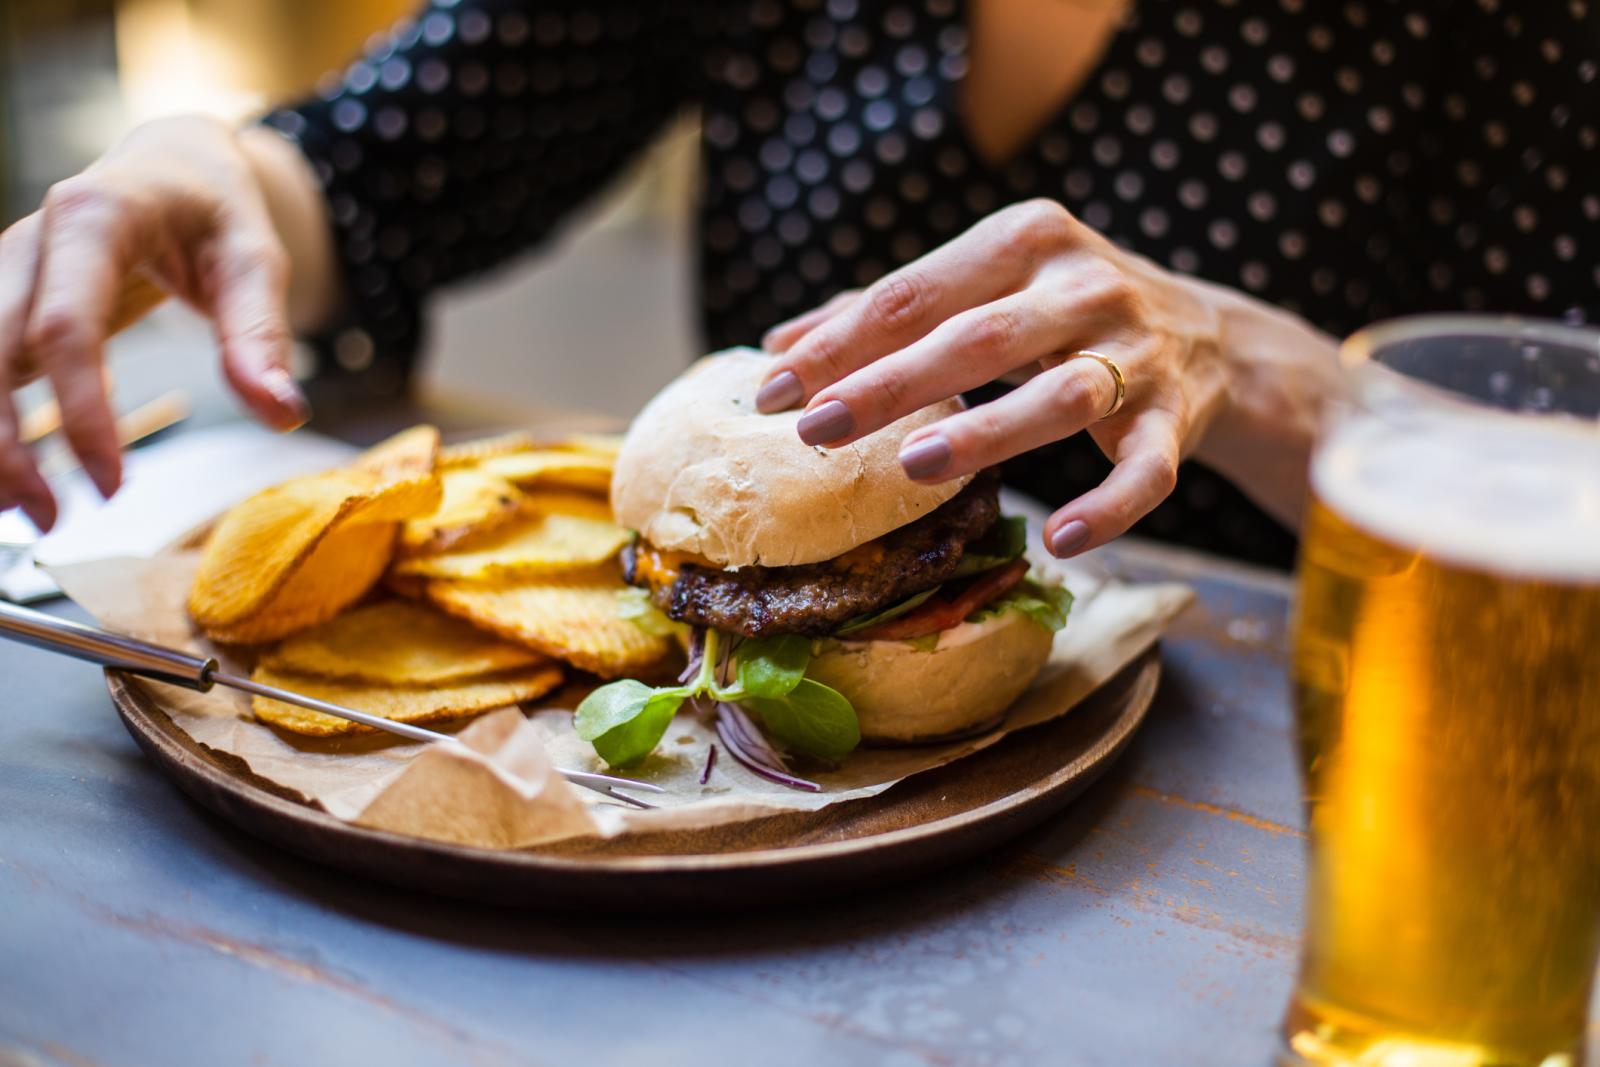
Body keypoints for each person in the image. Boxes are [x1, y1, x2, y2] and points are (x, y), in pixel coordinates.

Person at [0, 0, 1593, 567]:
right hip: (774, 846)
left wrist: (1260, 372)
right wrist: (192, 175)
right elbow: (378, 171)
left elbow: (1558, 479)